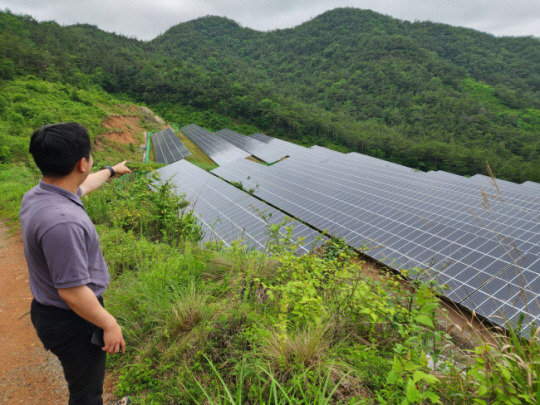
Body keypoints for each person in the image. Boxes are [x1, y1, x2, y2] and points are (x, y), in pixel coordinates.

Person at [19, 123, 132, 405]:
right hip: (72, 320)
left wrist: (111, 170)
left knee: (84, 381)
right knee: (86, 392)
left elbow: (85, 185)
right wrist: (109, 323)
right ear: (82, 163)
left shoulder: (41, 195)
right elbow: (71, 291)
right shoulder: (63, 222)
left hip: (53, 312)